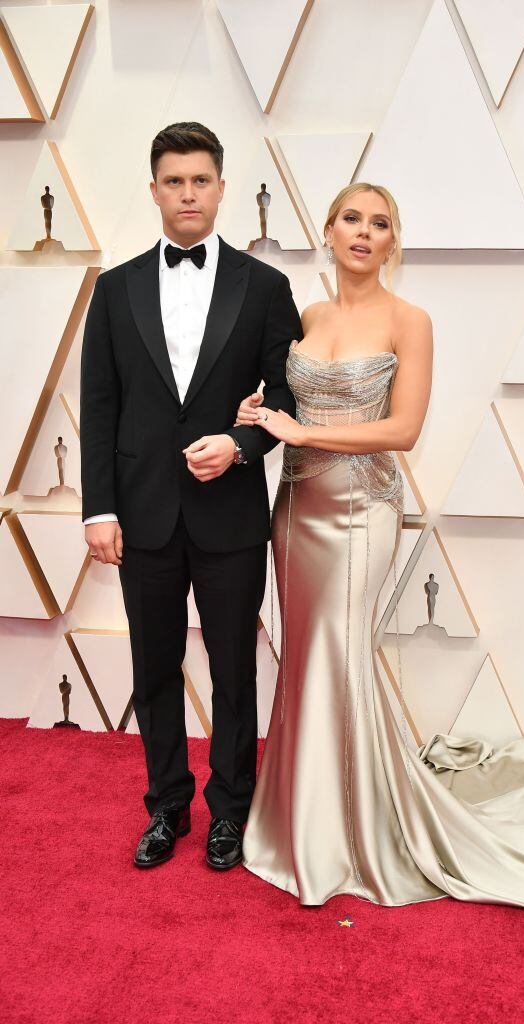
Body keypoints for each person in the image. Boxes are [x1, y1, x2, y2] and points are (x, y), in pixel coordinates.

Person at [234, 182, 524, 934]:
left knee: (340, 655)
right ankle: (299, 819)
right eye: (352, 219)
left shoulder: (409, 320)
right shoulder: (307, 317)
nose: (364, 232)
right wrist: (262, 415)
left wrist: (305, 433)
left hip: (361, 512)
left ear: (393, 243)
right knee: (307, 658)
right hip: (297, 511)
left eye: (381, 223)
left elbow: (403, 430)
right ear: (329, 229)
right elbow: (290, 407)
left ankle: (350, 832)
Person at [80, 122, 301, 870]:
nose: (187, 193)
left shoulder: (264, 287)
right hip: (140, 512)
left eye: (200, 180)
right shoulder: (114, 289)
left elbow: (288, 398)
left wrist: (240, 444)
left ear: (220, 188)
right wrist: (99, 508)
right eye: (173, 181)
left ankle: (231, 809)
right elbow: (100, 405)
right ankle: (167, 806)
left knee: (235, 669)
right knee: (153, 668)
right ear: (153, 190)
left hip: (229, 514)